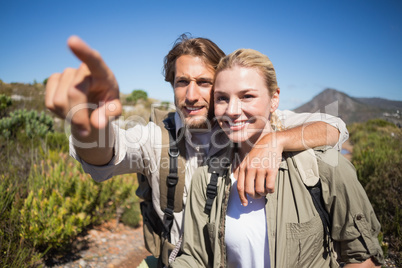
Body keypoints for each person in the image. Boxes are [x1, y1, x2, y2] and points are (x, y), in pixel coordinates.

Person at [45, 34, 348, 267]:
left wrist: (275, 141)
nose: (191, 96)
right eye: (181, 82)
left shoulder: (247, 124)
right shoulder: (158, 137)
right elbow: (109, 154)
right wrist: (89, 127)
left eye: (204, 82)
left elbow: (333, 127)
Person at [171, 49, 384, 268]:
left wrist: (274, 141)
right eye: (222, 98)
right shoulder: (206, 178)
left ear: (274, 99)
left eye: (247, 96)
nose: (233, 110)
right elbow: (195, 258)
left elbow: (363, 258)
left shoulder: (324, 168)